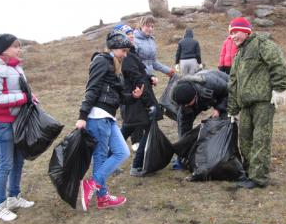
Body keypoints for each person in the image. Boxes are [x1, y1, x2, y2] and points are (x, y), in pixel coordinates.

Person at [75, 30, 143, 211]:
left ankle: (98, 190)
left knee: (122, 152)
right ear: (113, 48)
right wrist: (82, 116)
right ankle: (100, 193)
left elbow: (119, 97)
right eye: (123, 51)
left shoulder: (114, 66)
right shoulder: (101, 61)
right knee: (101, 156)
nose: (125, 55)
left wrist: (133, 97)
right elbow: (92, 88)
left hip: (108, 117)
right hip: (97, 116)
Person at [227, 17, 286, 189]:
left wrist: (279, 89)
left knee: (261, 139)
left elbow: (279, 65)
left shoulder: (262, 44)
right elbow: (233, 82)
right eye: (231, 33)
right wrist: (232, 109)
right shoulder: (239, 54)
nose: (233, 36)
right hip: (245, 104)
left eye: (236, 32)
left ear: (246, 31)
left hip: (263, 102)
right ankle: (248, 173)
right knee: (245, 139)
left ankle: (258, 178)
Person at [0, 34, 35, 222]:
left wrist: (31, 97)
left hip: (19, 121)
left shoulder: (15, 66)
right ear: (2, 48)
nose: (18, 49)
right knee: (5, 164)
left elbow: (21, 89)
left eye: (19, 46)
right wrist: (23, 98)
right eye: (15, 46)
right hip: (3, 123)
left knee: (18, 160)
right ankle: (0, 205)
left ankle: (14, 197)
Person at [114, 24, 160, 177]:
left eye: (132, 33)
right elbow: (137, 80)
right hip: (136, 101)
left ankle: (108, 161)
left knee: (126, 130)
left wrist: (150, 77)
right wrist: (150, 104)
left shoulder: (131, 54)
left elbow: (140, 74)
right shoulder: (126, 58)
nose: (132, 36)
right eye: (127, 34)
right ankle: (136, 166)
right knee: (146, 127)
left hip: (136, 102)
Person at [171, 69, 229, 169]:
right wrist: (183, 149)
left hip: (224, 90)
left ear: (195, 96)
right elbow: (184, 128)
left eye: (187, 104)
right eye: (183, 105)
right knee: (184, 125)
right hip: (202, 98)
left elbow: (229, 92)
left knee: (222, 124)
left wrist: (219, 108)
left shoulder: (211, 83)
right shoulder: (181, 99)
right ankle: (184, 158)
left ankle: (221, 155)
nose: (185, 107)